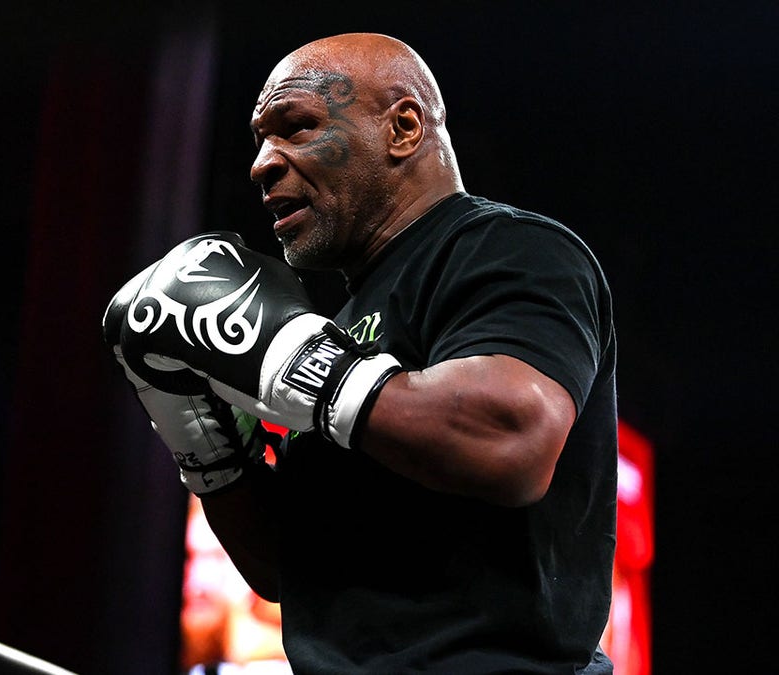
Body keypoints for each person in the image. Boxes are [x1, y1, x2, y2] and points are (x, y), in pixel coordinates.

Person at [103, 32, 617, 674]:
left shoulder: (511, 250)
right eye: (261, 140)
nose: (263, 163)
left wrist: (299, 363)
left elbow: (509, 441)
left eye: (295, 127)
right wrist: (207, 443)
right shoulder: (338, 325)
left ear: (403, 127)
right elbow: (283, 572)